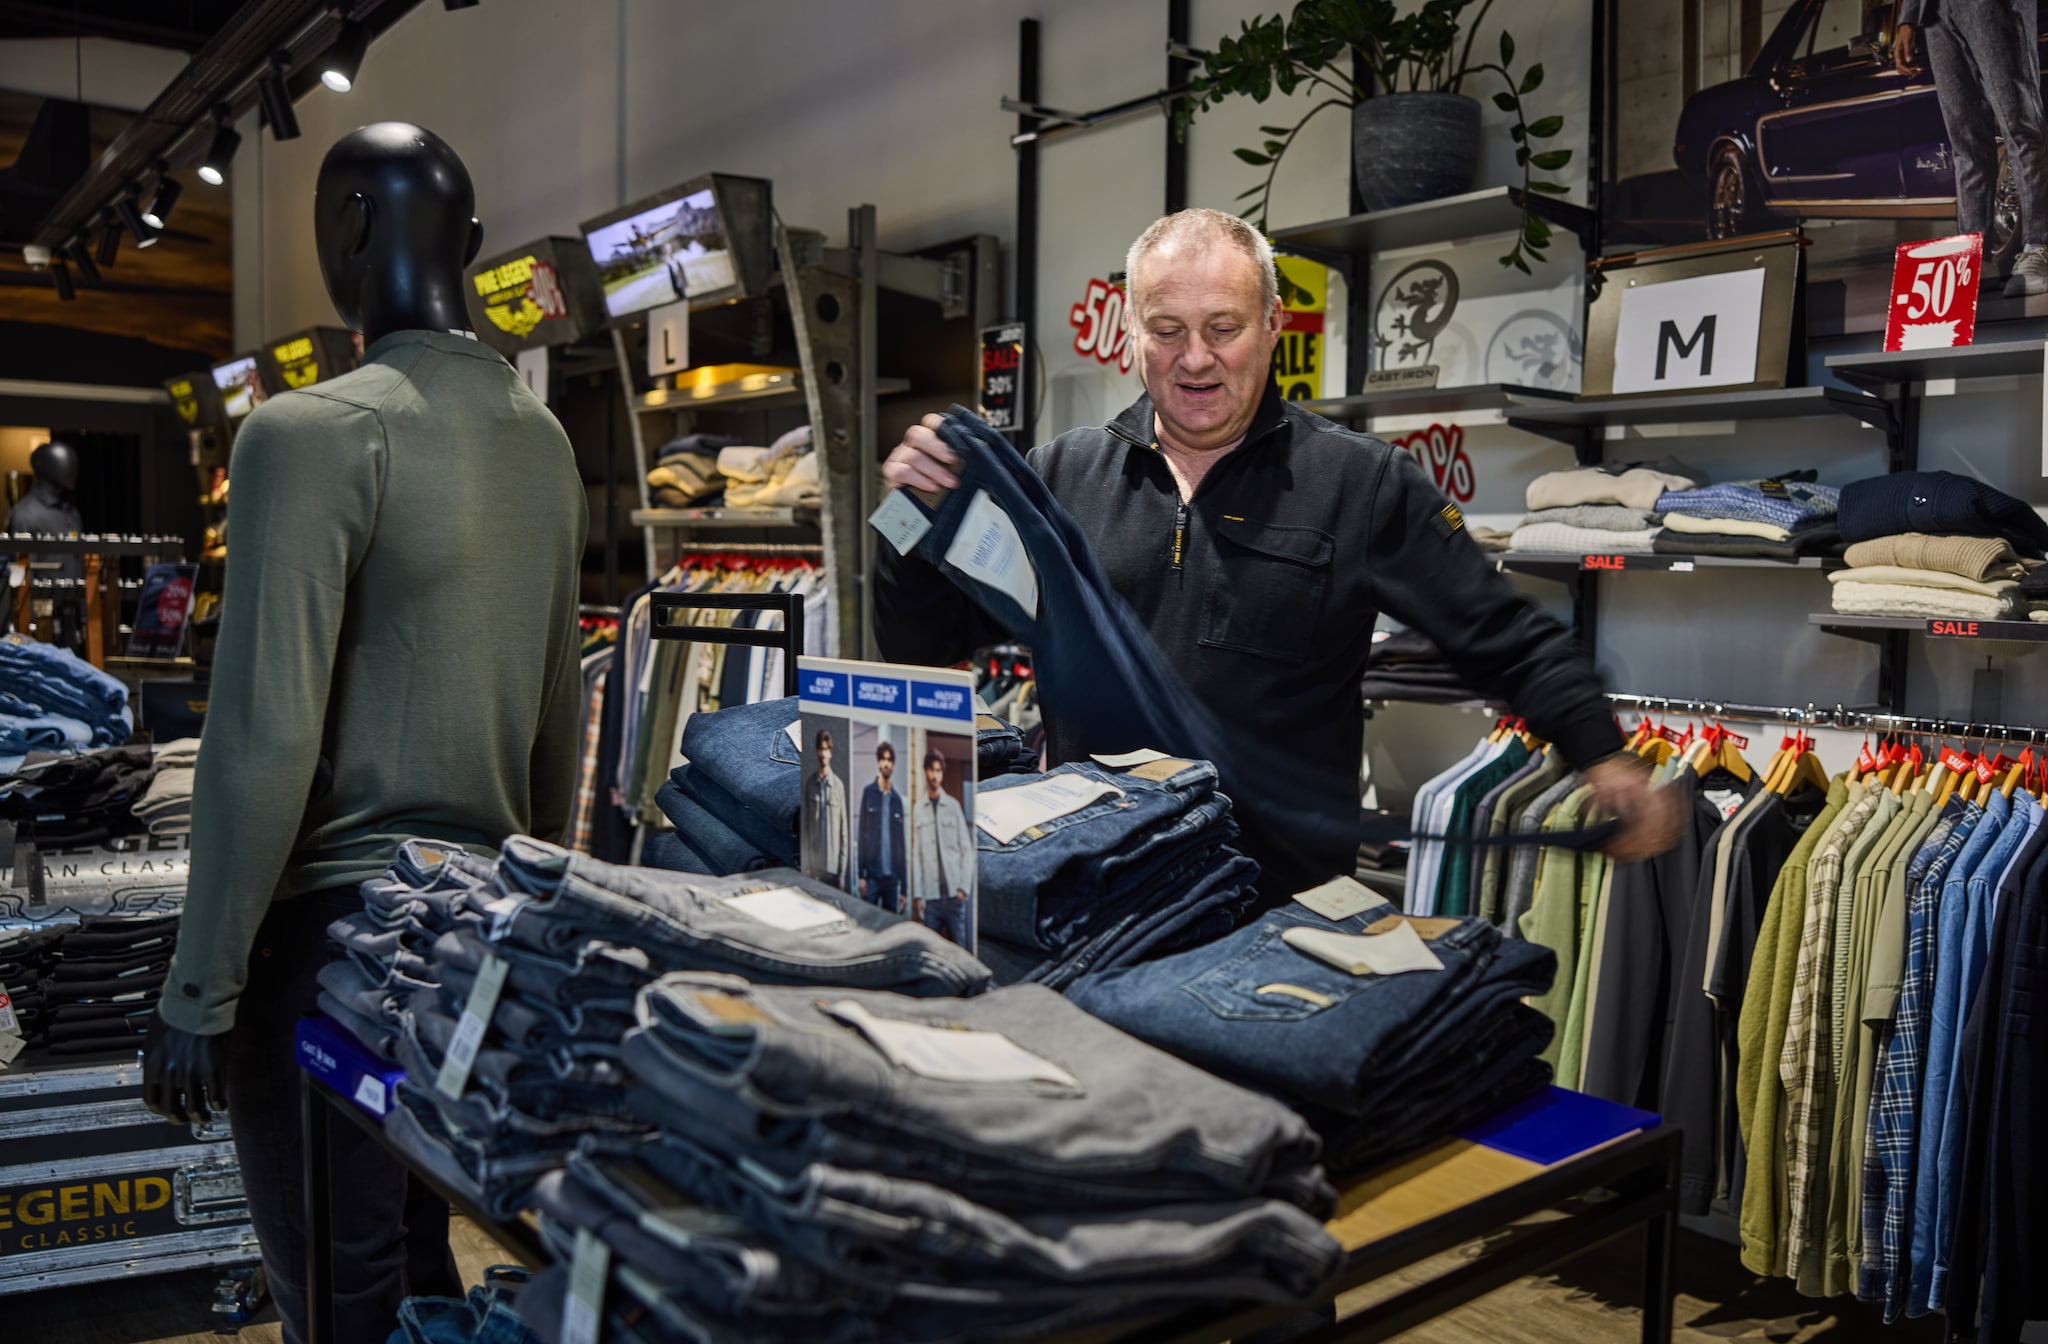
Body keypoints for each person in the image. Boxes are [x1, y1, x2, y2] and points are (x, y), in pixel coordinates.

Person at [876, 208, 1681, 898]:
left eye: (1223, 328)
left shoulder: (1359, 484)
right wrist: (909, 523)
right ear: (1131, 335)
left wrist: (1602, 755)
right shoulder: (1057, 479)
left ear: (1272, 326)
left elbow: (1503, 636)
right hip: (1093, 892)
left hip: (1275, 906)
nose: (1196, 359)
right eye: (1167, 331)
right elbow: (925, 644)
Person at [138, 124, 587, 1344]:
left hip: (327, 943)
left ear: (343, 231)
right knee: (411, 1260)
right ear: (476, 248)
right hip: (472, 933)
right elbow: (561, 730)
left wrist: (201, 983)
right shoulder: (542, 445)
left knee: (333, 1295)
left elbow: (260, 736)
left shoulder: (308, 431)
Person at [1896, 0, 2048, 296]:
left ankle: (2039, 247)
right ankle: (1970, 258)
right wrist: (1908, 18)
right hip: (1936, 14)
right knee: (1966, 144)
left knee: (2021, 126)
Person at [910, 747, 975, 944]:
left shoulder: (953, 806)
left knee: (961, 951)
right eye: (931, 770)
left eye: (938, 770)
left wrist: (963, 888)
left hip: (955, 896)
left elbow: (967, 850)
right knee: (929, 949)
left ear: (942, 773)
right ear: (925, 772)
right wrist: (919, 895)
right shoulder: (919, 809)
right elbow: (916, 856)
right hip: (931, 899)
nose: (934, 775)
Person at [857, 740, 908, 912]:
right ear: (879, 761)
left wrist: (905, 889)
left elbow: (901, 846)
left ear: (893, 764)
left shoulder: (897, 801)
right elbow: (862, 834)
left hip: (892, 881)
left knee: (890, 927)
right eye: (883, 759)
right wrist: (861, 875)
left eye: (889, 760)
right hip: (872, 876)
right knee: (867, 921)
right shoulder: (868, 793)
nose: (886, 763)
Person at [802, 727, 851, 886]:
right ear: (816, 751)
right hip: (814, 866)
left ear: (831, 752)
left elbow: (844, 832)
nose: (823, 754)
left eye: (826, 749)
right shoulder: (810, 783)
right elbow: (805, 827)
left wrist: (841, 872)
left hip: (832, 868)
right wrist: (806, 864)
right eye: (820, 749)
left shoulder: (838, 786)